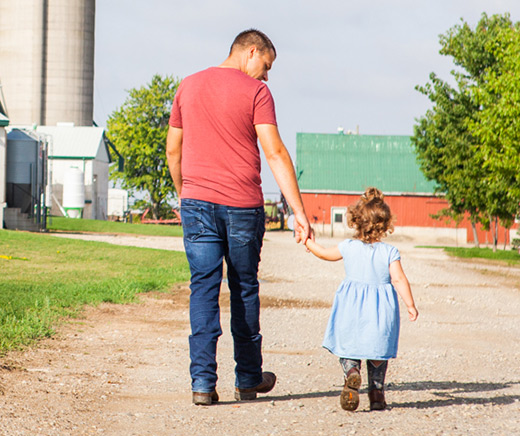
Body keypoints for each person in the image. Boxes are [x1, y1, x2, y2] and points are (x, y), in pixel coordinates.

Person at [166, 28, 312, 406]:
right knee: (244, 288)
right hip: (243, 207)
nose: (266, 76)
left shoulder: (188, 86)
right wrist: (299, 212)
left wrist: (187, 196)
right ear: (251, 52)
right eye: (266, 66)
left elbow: (172, 151)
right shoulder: (257, 93)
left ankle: (202, 383)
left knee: (203, 288)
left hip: (196, 203)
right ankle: (248, 380)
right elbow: (275, 152)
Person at [304, 187, 419, 411]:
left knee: (349, 346)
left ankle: (352, 372)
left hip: (351, 309)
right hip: (379, 312)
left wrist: (308, 242)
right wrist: (410, 304)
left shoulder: (348, 247)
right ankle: (376, 394)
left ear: (357, 221)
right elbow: (399, 280)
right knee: (377, 351)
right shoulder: (389, 251)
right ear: (385, 225)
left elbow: (324, 254)